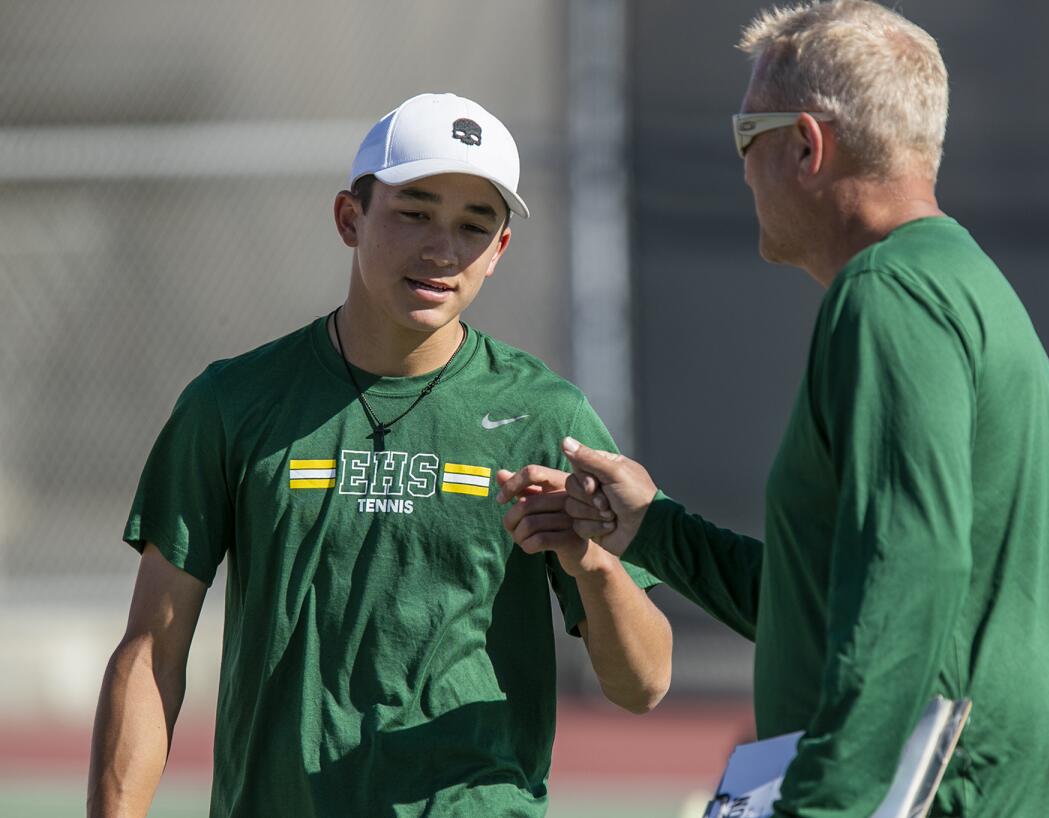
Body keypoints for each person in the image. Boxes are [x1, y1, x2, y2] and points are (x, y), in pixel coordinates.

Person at [500, 2, 1049, 815]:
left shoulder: (888, 295)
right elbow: (836, 607)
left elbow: (910, 583)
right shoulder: (955, 280)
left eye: (744, 135)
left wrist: (820, 807)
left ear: (805, 145)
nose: (741, 166)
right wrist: (654, 528)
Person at [88, 92, 672, 818]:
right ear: (349, 218)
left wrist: (590, 565)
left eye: (474, 226)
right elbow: (151, 653)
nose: (442, 249)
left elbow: (642, 685)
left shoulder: (551, 418)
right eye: (414, 213)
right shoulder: (230, 404)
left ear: (498, 253)